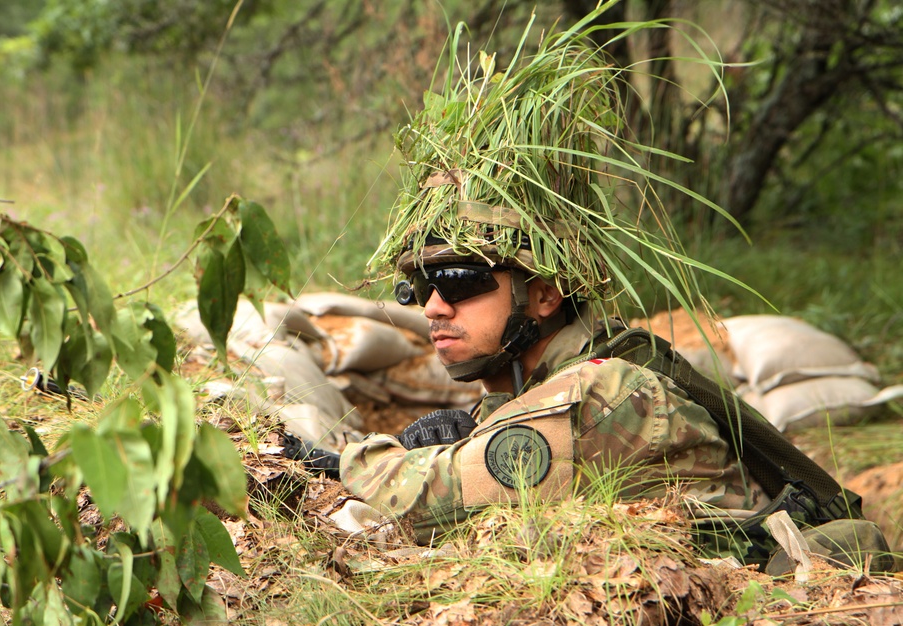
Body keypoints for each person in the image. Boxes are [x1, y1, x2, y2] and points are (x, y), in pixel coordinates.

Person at [284, 19, 893, 571]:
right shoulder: (552, 381)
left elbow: (422, 501)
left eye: (463, 281)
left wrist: (338, 459)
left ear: (544, 296)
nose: (434, 307)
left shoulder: (599, 391)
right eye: (420, 287)